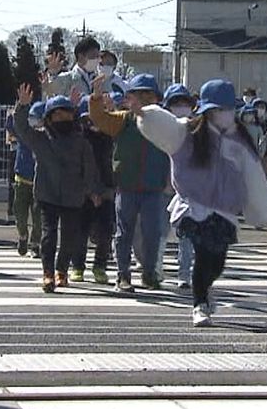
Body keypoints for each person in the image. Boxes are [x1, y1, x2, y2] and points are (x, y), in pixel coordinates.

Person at [136, 79, 267, 326]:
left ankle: (205, 289)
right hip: (194, 206)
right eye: (216, 110)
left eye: (226, 109)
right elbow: (164, 126)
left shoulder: (240, 141)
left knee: (217, 260)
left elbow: (254, 178)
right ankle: (199, 304)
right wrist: (145, 114)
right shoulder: (188, 132)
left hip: (225, 212)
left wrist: (261, 213)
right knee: (201, 253)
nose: (221, 114)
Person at [11, 85, 100, 293]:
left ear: (73, 117)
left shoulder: (81, 142)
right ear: (48, 119)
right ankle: (48, 274)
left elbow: (89, 168)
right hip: (47, 194)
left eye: (66, 114)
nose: (61, 118)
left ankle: (62, 271)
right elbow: (22, 128)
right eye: (56, 115)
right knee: (48, 236)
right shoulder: (41, 139)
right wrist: (22, 106)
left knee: (70, 237)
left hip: (73, 196)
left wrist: (91, 190)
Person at [88, 73, 171, 292]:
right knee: (124, 233)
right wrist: (96, 96)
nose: (142, 99)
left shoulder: (164, 121)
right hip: (126, 186)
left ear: (157, 99)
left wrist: (171, 179)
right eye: (137, 94)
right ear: (128, 99)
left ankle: (149, 273)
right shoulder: (123, 120)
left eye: (147, 95)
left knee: (153, 233)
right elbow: (99, 119)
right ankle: (122, 275)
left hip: (154, 187)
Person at [71, 96, 116, 285]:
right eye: (88, 119)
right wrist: (90, 191)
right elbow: (79, 169)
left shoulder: (110, 136)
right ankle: (78, 266)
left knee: (106, 231)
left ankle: (100, 266)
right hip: (84, 191)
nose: (93, 123)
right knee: (80, 232)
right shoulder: (80, 139)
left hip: (107, 189)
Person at [161, 83, 197, 287]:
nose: (182, 107)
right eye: (176, 103)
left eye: (185, 103)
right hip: (162, 187)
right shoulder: (161, 127)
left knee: (186, 235)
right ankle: (153, 267)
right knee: (158, 232)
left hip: (190, 191)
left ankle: (184, 273)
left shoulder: (198, 127)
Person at [9, 101, 46, 257]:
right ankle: (23, 236)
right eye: (31, 117)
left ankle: (35, 243)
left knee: (38, 218)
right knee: (20, 214)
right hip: (21, 179)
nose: (33, 121)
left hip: (40, 183)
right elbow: (15, 122)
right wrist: (20, 106)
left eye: (36, 118)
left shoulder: (47, 136)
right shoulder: (25, 133)